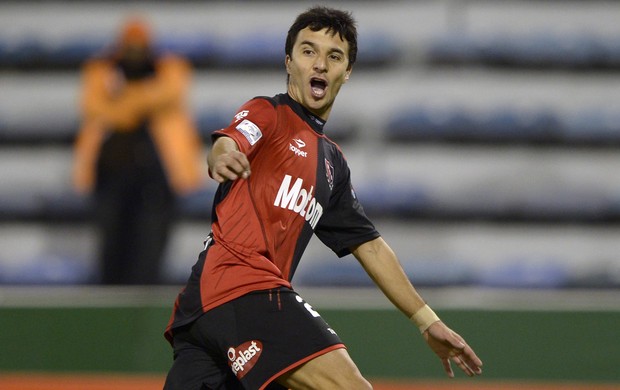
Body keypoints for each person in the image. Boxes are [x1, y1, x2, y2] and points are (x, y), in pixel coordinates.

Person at [164, 6, 482, 389]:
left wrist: (427, 321)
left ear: (347, 71)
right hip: (242, 286)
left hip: (206, 308)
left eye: (334, 56)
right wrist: (222, 155)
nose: (319, 64)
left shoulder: (331, 164)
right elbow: (231, 138)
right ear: (289, 61)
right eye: (308, 51)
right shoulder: (270, 112)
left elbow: (371, 247)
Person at [72, 18, 204, 285]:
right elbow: (93, 107)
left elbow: (169, 93)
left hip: (159, 179)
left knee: (150, 255)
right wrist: (140, 102)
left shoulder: (169, 67)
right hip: (111, 179)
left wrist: (123, 100)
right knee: (111, 252)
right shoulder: (100, 70)